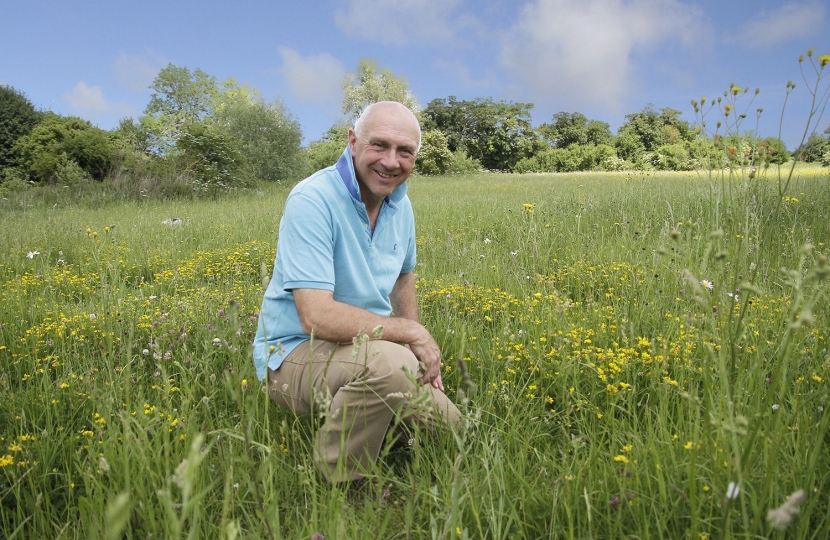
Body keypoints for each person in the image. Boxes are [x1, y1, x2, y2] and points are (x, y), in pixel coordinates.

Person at [253, 101, 460, 484]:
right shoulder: (312, 200)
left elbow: (403, 276)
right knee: (388, 366)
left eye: (405, 152)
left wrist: (414, 350)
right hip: (293, 353)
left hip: (370, 347)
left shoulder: (400, 202)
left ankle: (378, 417)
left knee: (454, 432)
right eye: (379, 145)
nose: (391, 162)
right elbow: (316, 317)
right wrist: (410, 335)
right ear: (352, 142)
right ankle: (341, 482)